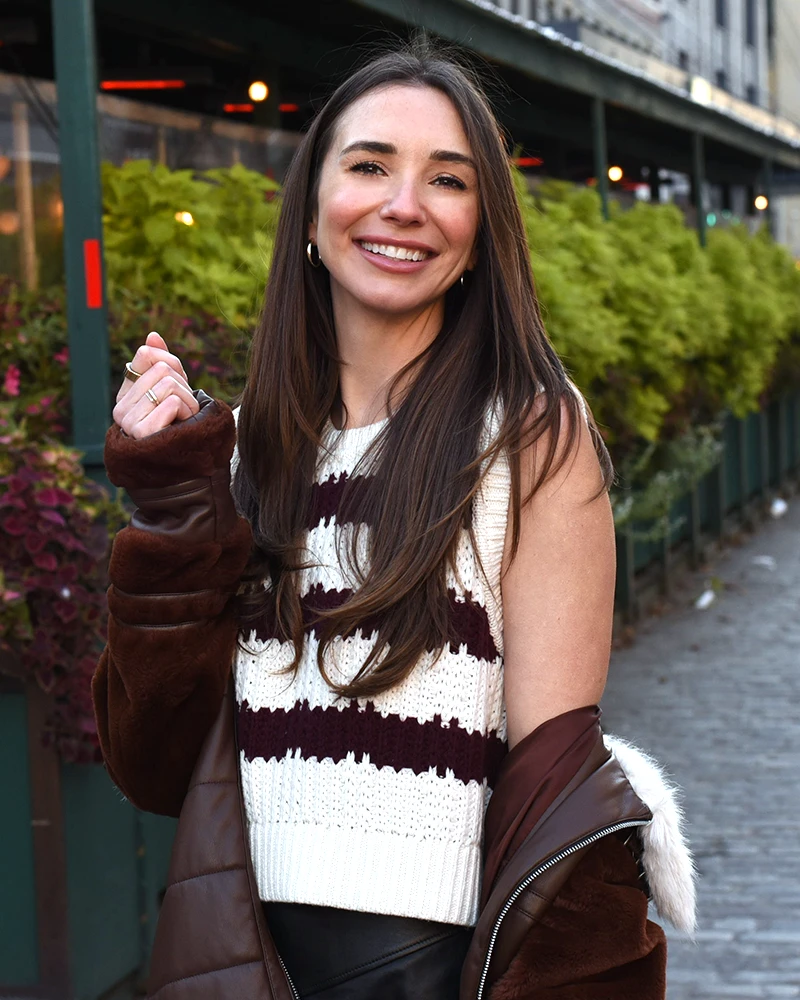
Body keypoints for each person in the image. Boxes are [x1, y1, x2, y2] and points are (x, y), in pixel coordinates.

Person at [93, 41, 695, 1000]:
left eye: (446, 180)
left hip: (426, 961)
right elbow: (155, 763)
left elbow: (554, 783)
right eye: (369, 165)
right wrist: (174, 499)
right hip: (236, 945)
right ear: (311, 213)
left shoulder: (529, 435)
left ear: (478, 231)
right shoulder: (249, 450)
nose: (402, 204)